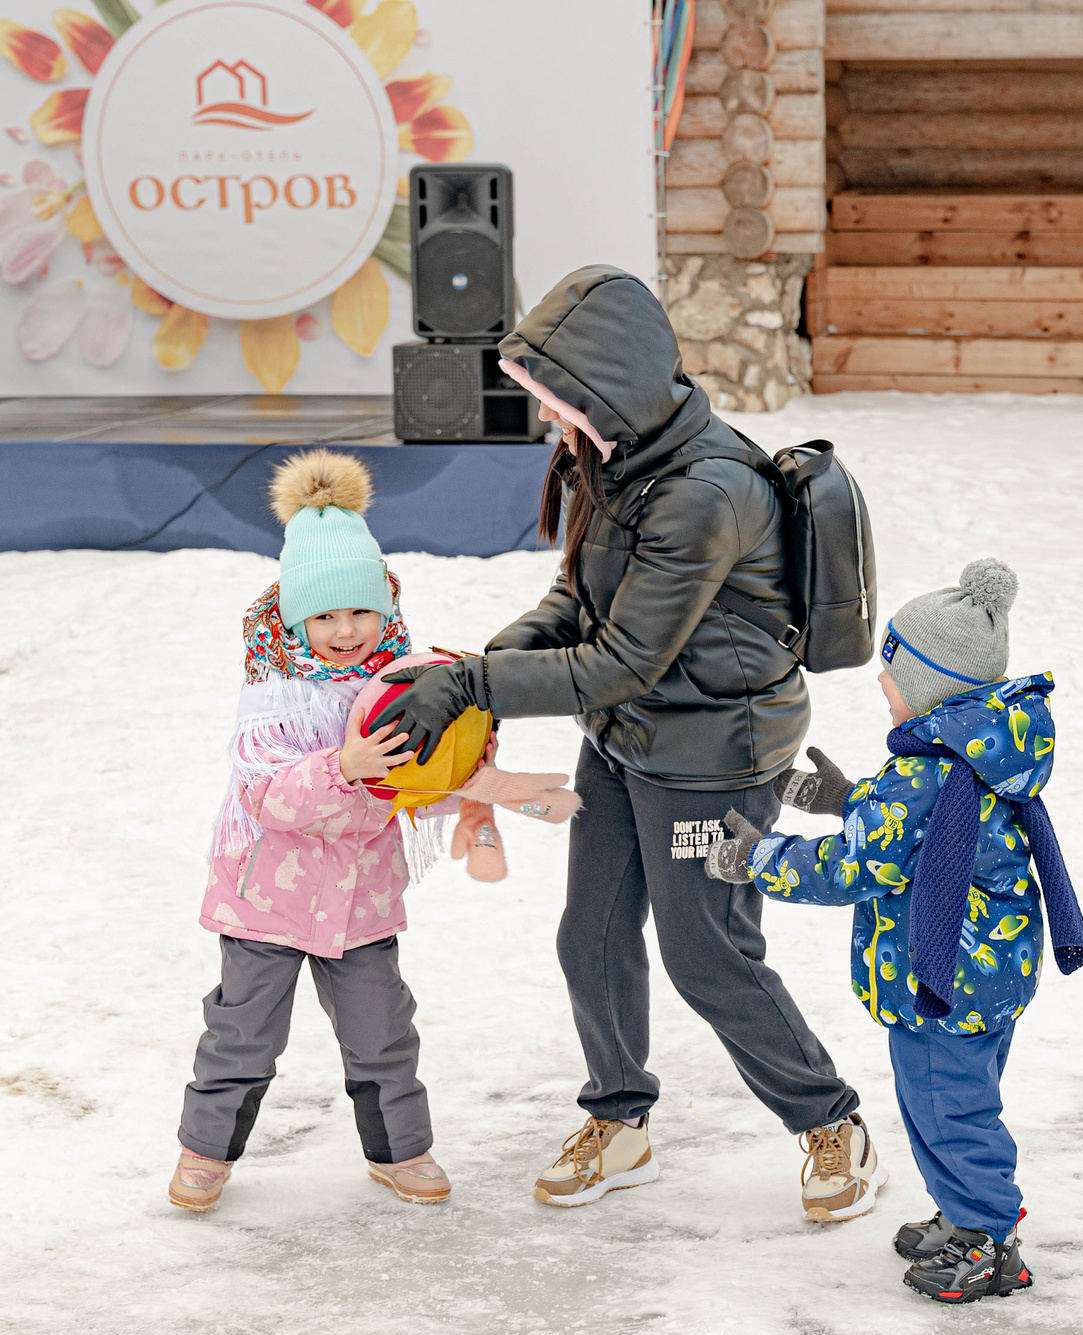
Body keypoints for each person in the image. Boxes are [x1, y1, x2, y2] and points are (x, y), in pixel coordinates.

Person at [363, 265, 881, 1221]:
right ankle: (620, 1117)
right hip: (627, 741)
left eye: (565, 401)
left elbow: (620, 660)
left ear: (611, 391)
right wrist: (495, 660)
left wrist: (471, 685)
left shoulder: (704, 494)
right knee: (590, 936)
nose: (556, 423)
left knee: (706, 952)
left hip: (715, 752)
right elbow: (580, 601)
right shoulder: (622, 458)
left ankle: (831, 1122)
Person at [706, 560, 1083, 1302]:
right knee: (953, 1105)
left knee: (950, 1111)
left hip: (943, 978)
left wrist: (756, 858)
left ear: (930, 686)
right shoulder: (973, 754)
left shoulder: (927, 774)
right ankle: (966, 1212)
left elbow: (856, 865)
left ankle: (987, 1240)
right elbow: (909, 832)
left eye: (891, 679)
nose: (882, 691)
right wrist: (847, 795)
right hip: (987, 967)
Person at [166, 451, 449, 1214]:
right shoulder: (273, 698)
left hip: (361, 901)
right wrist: (347, 765)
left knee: (383, 1032)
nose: (345, 629)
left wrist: (471, 783)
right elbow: (272, 799)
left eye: (359, 611)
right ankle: (205, 1152)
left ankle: (399, 1150)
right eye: (325, 615)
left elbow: (429, 778)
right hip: (266, 901)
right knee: (242, 1035)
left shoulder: (404, 687)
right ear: (296, 617)